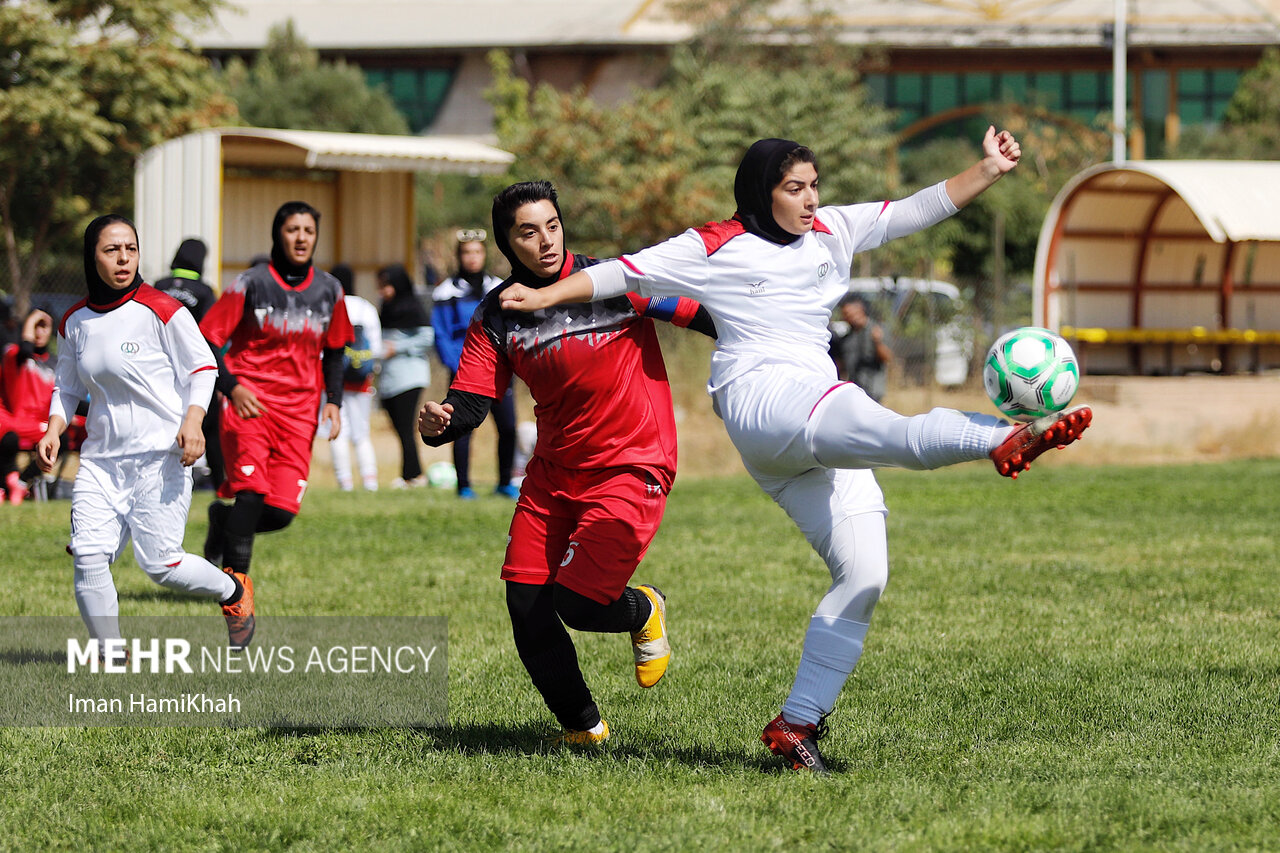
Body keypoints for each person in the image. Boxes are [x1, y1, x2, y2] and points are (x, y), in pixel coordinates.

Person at [499, 128, 1093, 773]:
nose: (810, 201)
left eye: (814, 186)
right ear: (762, 191)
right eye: (794, 189)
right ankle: (999, 438)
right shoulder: (717, 244)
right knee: (886, 428)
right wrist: (544, 295)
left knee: (865, 575)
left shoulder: (832, 230)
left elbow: (916, 209)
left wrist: (989, 168)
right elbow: (619, 273)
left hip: (809, 415)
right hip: (762, 398)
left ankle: (797, 726)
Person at [418, 180, 717, 744]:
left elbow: (701, 313)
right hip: (555, 471)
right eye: (528, 232)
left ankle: (642, 608)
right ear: (508, 244)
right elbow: (472, 400)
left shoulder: (617, 280)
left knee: (578, 602)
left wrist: (771, 347)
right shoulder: (499, 313)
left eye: (552, 225)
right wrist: (444, 422)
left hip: (634, 462)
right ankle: (583, 729)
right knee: (526, 602)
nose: (546, 241)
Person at [35, 215, 254, 650]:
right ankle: (110, 655)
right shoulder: (75, 321)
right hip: (99, 461)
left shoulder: (163, 309)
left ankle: (233, 592)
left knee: (162, 566)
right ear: (90, 256)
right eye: (111, 250)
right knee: (88, 554)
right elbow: (67, 385)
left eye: (130, 249)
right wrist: (53, 429)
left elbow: (204, 368)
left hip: (159, 456)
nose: (122, 258)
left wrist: (193, 422)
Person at [199, 201, 353, 597]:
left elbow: (335, 349)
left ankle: (221, 522)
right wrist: (231, 387)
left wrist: (332, 400)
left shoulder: (330, 289)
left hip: (300, 413)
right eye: (292, 229)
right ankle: (234, 596)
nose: (301, 237)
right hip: (249, 403)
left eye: (309, 230)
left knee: (281, 513)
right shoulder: (250, 282)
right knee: (251, 495)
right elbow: (206, 339)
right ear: (277, 234)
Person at [432, 230, 517, 499]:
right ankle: (464, 485)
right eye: (467, 252)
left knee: (508, 428)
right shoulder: (446, 292)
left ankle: (505, 482)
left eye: (477, 252)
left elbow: (512, 328)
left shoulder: (499, 287)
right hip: (464, 373)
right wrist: (459, 368)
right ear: (459, 256)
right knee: (461, 428)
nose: (472, 257)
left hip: (499, 369)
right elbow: (442, 335)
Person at [153, 237, 224, 490]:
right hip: (195, 369)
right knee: (211, 427)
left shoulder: (159, 286)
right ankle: (219, 484)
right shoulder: (205, 291)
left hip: (161, 368)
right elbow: (210, 333)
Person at [327, 263, 382, 492]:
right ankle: (370, 482)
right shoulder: (365, 307)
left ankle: (345, 482)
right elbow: (376, 348)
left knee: (337, 432)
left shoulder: (329, 307)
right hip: (361, 380)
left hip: (332, 381)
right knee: (361, 434)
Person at [377, 263, 433, 489]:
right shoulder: (386, 307)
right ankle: (411, 473)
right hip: (391, 378)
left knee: (406, 426)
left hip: (410, 376)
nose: (383, 290)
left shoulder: (412, 307)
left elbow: (427, 338)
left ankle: (414, 475)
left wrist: (398, 347)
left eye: (386, 285)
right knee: (399, 427)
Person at [0, 306, 56, 503]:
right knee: (8, 439)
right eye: (35, 327)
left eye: (44, 327)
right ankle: (8, 483)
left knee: (59, 436)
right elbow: (25, 350)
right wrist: (31, 321)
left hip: (39, 424)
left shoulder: (55, 364)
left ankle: (22, 483)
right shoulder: (14, 354)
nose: (39, 332)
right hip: (14, 421)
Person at [831, 294, 891, 402]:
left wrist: (877, 342)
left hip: (873, 390)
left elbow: (887, 357)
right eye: (845, 314)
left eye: (850, 313)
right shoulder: (847, 338)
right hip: (855, 390)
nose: (848, 317)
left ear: (860, 309)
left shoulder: (876, 329)